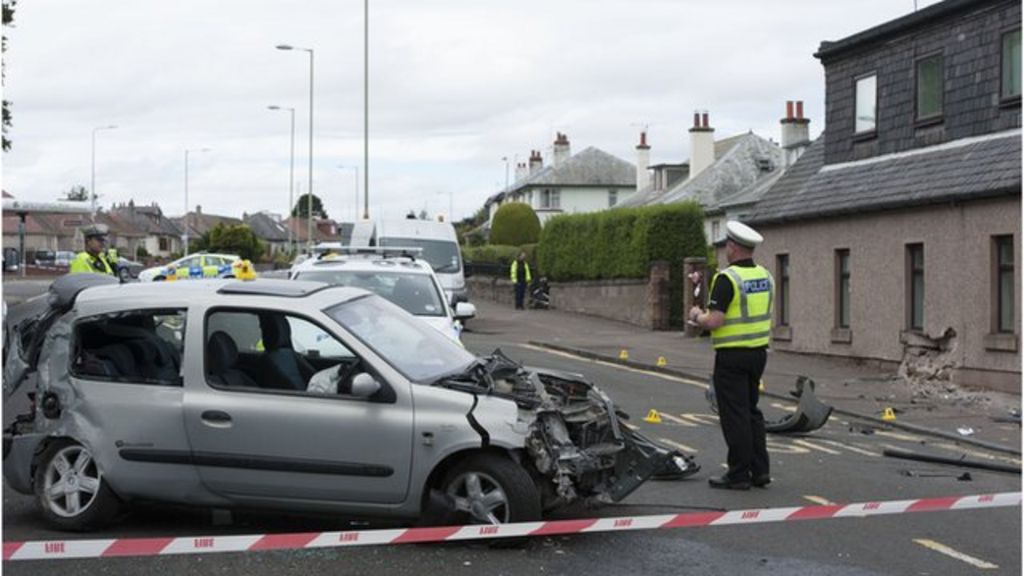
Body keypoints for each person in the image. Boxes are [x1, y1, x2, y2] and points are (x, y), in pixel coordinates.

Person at [689, 220, 774, 491]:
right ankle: (760, 471)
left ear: (734, 247)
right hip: (758, 353)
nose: (726, 249)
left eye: (727, 244)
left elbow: (715, 321)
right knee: (751, 412)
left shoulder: (727, 279)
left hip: (732, 356)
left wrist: (696, 316)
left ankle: (738, 474)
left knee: (734, 415)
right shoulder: (765, 275)